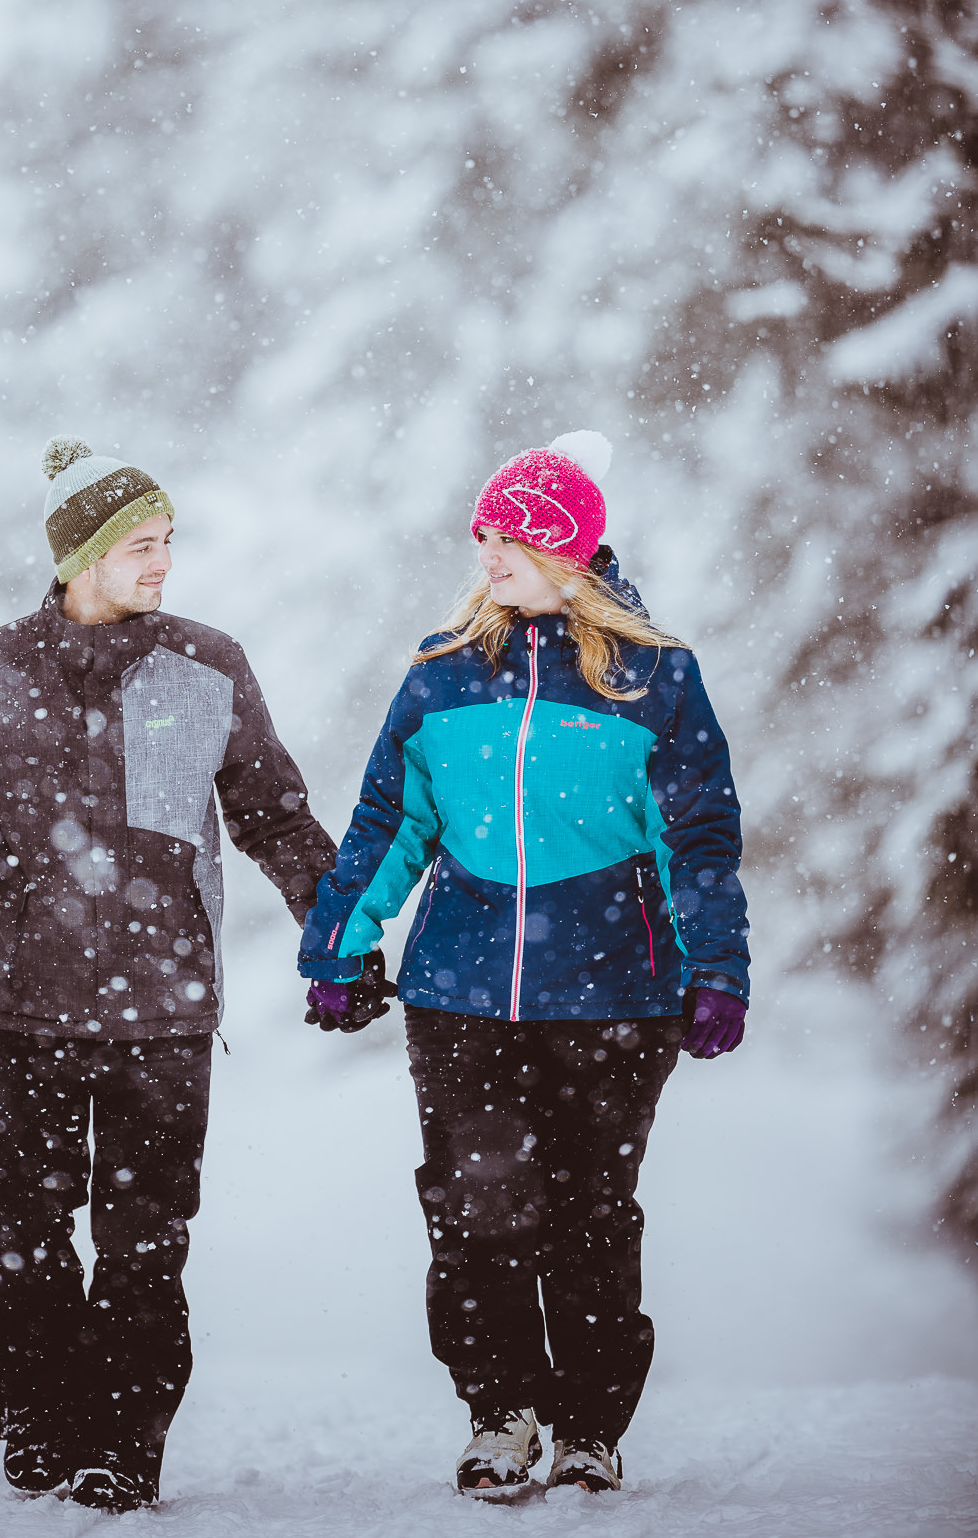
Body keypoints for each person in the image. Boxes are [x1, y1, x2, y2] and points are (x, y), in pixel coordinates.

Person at [0, 437, 336, 1513]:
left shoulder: (205, 667)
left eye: (169, 540)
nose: (163, 561)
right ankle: (40, 1415)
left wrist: (336, 932)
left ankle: (124, 1443)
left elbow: (272, 812)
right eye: (141, 543)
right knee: (22, 1234)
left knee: (144, 1244)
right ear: (80, 553)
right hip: (27, 1009)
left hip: (165, 1014)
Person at [299, 430, 748, 1498]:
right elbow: (386, 821)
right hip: (459, 990)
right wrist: (338, 942)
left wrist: (717, 966)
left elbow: (700, 836)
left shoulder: (655, 679)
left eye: (507, 537)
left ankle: (589, 1422)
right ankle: (500, 1409)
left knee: (590, 1207)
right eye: (484, 536)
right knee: (476, 1203)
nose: (487, 554)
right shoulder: (443, 672)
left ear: (567, 549)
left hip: (613, 989)